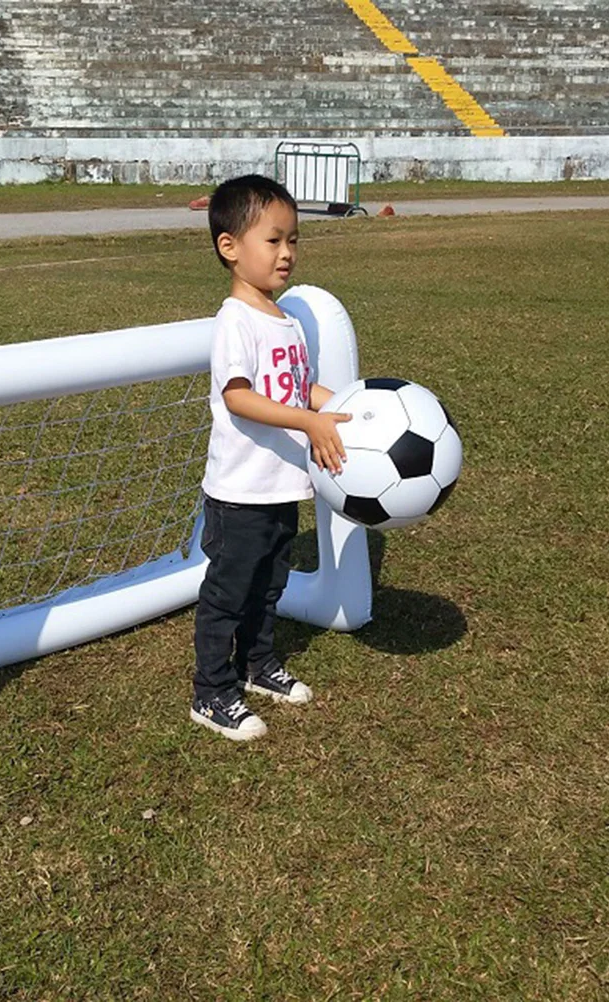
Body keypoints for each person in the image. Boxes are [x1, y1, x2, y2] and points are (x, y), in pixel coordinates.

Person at [191, 174, 350, 741]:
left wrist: (351, 410)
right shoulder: (235, 320)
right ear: (229, 247)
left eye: (294, 240)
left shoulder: (286, 321)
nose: (287, 254)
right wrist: (310, 422)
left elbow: (297, 388)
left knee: (270, 586)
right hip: (240, 492)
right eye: (273, 240)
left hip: (283, 485)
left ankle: (259, 667)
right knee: (228, 594)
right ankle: (211, 692)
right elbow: (240, 397)